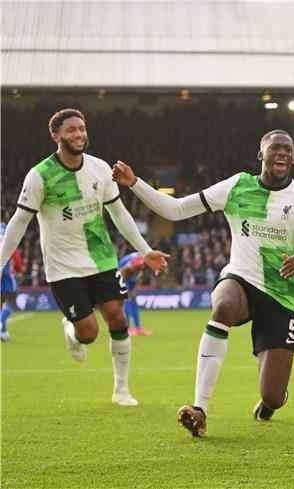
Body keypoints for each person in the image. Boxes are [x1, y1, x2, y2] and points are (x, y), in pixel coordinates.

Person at [112, 129, 294, 437]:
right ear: (261, 154)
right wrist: (134, 182)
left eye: (288, 150)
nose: (282, 153)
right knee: (223, 305)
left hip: (281, 296)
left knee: (273, 395)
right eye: (275, 148)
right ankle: (200, 409)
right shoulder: (237, 186)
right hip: (241, 278)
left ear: (293, 159)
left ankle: (270, 402)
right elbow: (177, 209)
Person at [0, 108, 169, 406]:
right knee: (89, 333)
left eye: (82, 128)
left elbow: (119, 213)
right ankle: (72, 328)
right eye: (71, 130)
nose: (79, 134)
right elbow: (18, 223)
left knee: (117, 316)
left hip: (102, 258)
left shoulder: (100, 169)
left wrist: (146, 251)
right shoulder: (40, 176)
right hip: (63, 267)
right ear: (56, 136)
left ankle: (121, 390)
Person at [117, 251, 152, 336]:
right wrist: (125, 289)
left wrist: (133, 289)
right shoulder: (138, 260)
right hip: (122, 276)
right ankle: (127, 328)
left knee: (133, 301)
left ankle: (138, 328)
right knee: (128, 301)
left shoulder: (142, 260)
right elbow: (124, 271)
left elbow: (136, 276)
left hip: (129, 277)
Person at [0, 222, 23, 342]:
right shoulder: (4, 228)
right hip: (5, 266)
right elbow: (13, 248)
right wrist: (19, 268)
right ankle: (1, 323)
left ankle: (3, 332)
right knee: (11, 299)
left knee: (1, 301)